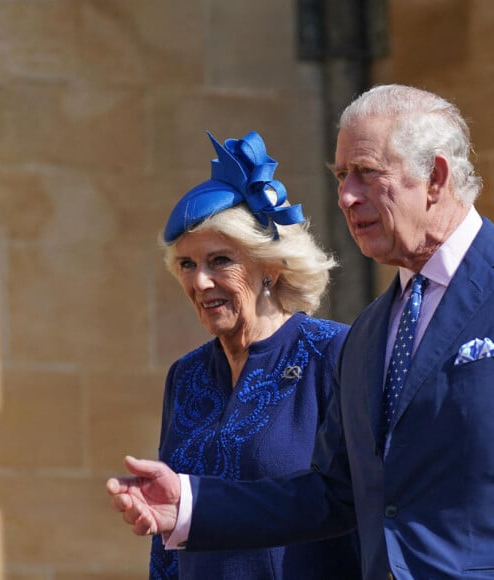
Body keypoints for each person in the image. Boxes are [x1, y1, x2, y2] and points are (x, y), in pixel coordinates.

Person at [107, 84, 494, 579]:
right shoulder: (372, 333)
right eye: (341, 176)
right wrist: (187, 505)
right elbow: (332, 493)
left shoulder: (334, 345)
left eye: (367, 174)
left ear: (434, 178)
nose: (346, 196)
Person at [147, 130, 361, 579]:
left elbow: (365, 507)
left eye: (220, 261)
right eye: (187, 264)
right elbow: (166, 535)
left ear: (270, 266)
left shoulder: (334, 354)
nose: (200, 281)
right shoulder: (185, 377)